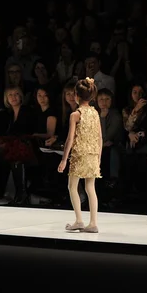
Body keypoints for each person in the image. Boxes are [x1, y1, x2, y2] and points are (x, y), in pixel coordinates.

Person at [58, 78, 102, 233]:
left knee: (72, 186)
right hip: (92, 154)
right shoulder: (95, 113)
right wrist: (99, 157)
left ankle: (79, 220)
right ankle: (93, 222)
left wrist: (64, 159)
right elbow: (99, 138)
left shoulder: (75, 115)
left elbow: (70, 138)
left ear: (76, 95)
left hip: (79, 154)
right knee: (90, 188)